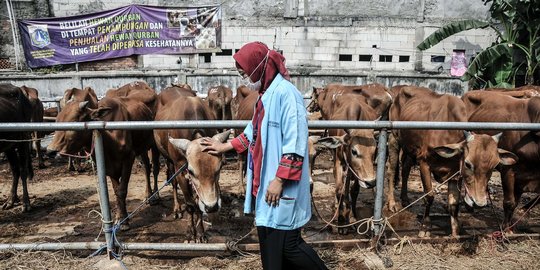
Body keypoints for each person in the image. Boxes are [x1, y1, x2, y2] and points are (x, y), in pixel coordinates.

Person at [201, 41, 328, 270]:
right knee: (271, 249)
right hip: (266, 182)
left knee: (289, 246)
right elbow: (253, 130)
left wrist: (279, 180)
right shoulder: (265, 94)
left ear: (259, 66)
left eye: (245, 73)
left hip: (280, 184)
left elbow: (296, 141)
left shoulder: (287, 94)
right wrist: (226, 146)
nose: (245, 79)